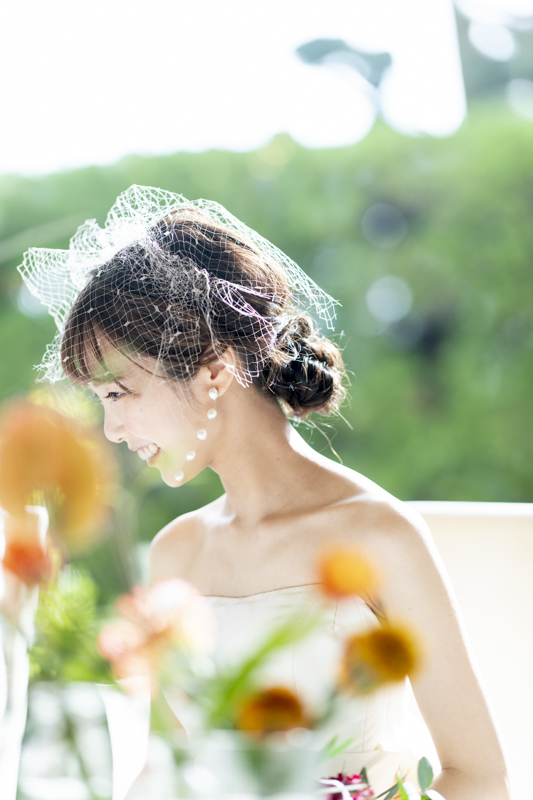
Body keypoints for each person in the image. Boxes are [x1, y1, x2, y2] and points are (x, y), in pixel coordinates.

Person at [19, 185, 509, 799]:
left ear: (215, 369)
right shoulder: (177, 552)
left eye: (118, 394)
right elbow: (165, 776)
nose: (112, 430)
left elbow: (481, 778)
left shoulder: (379, 535)